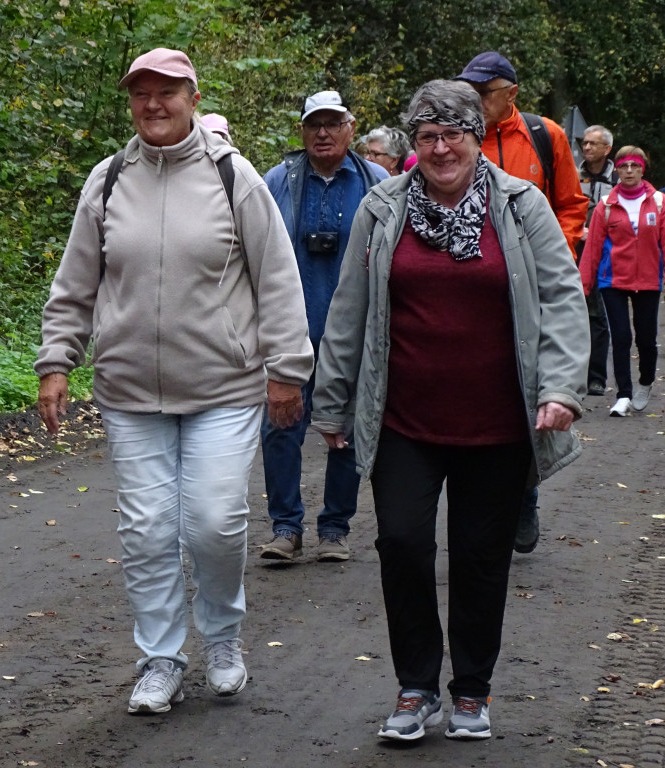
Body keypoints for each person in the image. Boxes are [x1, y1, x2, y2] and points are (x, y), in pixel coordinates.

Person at [34, 48, 313, 715]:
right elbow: (76, 282)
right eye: (141, 95)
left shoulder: (232, 176)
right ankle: (160, 656)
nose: (153, 105)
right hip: (130, 391)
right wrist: (56, 361)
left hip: (223, 383)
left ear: (192, 96)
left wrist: (287, 370)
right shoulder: (107, 180)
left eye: (167, 93)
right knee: (149, 529)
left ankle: (222, 638)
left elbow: (276, 275)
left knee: (214, 522)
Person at [311, 79, 588, 742]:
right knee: (402, 543)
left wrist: (561, 389)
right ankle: (414, 687)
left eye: (453, 134)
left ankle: (469, 689)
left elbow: (560, 300)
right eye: (428, 136)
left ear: (475, 138)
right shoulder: (382, 209)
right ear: (416, 143)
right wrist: (332, 400)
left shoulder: (522, 208)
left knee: (478, 555)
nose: (441, 149)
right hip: (404, 416)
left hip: (496, 423)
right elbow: (348, 310)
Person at [454, 51, 588, 555]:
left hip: (529, 285)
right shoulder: (457, 135)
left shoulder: (543, 136)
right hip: (470, 284)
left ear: (509, 93)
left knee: (523, 389)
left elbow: (572, 204)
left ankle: (523, 500)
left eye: (482, 92)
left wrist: (559, 253)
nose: (472, 100)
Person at [258, 91, 389, 563]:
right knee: (279, 428)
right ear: (302, 131)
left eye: (333, 123)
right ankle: (285, 528)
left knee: (346, 428)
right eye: (314, 124)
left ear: (351, 127)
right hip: (291, 328)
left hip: (351, 333)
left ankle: (335, 529)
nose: (323, 133)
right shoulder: (278, 180)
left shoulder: (377, 182)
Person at [580, 146, 665, 416]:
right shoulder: (605, 206)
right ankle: (623, 395)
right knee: (621, 337)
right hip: (613, 279)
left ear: (643, 169)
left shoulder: (659, 203)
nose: (629, 171)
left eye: (635, 166)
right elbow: (592, 248)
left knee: (647, 339)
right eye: (624, 166)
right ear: (617, 170)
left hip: (649, 280)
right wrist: (583, 286)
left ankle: (645, 382)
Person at [577, 125, 618, 396]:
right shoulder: (572, 173)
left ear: (607, 149)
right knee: (570, 310)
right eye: (585, 143)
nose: (587, 148)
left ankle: (597, 377)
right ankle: (573, 377)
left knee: (597, 314)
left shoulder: (618, 177)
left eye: (593, 144)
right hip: (574, 247)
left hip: (605, 252)